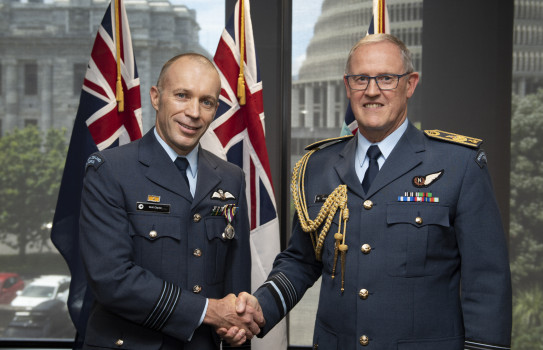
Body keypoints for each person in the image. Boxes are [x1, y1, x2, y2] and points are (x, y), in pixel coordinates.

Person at [224, 34, 512, 350]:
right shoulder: (317, 167)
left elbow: (486, 281)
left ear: (410, 84)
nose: (372, 91)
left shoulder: (459, 165)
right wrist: (259, 309)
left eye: (386, 78)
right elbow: (301, 262)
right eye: (361, 79)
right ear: (348, 87)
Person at [79, 53, 264, 349]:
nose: (194, 112)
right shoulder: (109, 170)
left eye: (206, 102)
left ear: (215, 109)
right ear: (156, 97)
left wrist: (236, 327)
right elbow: (111, 279)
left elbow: (235, 282)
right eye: (182, 96)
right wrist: (208, 311)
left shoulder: (231, 178)